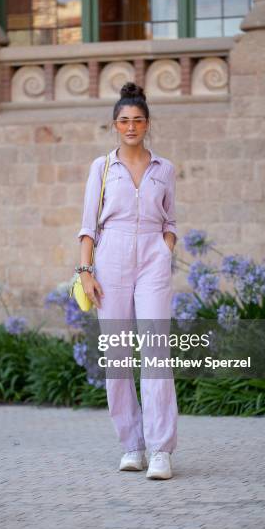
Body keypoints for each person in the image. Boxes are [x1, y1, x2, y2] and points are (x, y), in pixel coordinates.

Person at [76, 82, 178, 480]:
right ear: (114, 125)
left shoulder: (164, 169)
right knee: (118, 358)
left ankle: (161, 450)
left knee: (156, 352)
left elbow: (171, 220)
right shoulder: (101, 168)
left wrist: (165, 246)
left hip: (153, 259)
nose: (131, 126)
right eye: (124, 120)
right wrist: (86, 271)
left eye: (137, 120)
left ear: (147, 124)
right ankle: (132, 446)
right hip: (111, 259)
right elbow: (87, 225)